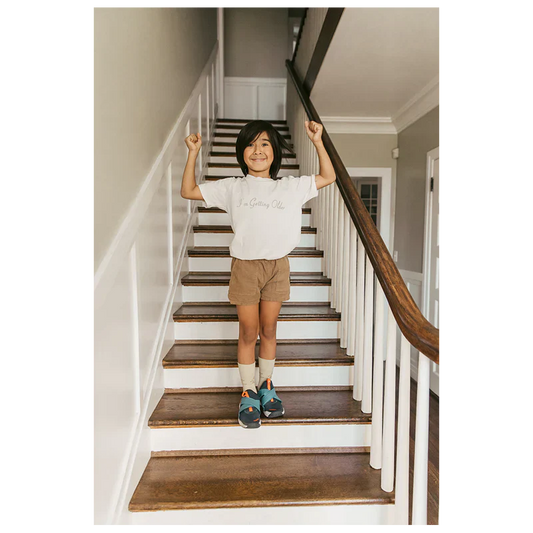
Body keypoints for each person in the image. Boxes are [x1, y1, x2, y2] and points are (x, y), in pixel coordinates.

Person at [181, 119, 336, 428]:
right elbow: (188, 191)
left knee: (269, 330)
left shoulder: (290, 186)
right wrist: (193, 152)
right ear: (242, 153)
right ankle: (247, 389)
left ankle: (266, 384)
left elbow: (328, 176)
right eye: (250, 144)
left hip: (277, 267)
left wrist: (318, 141)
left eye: (264, 143)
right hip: (245, 268)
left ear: (274, 152)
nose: (257, 150)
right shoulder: (232, 187)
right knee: (247, 333)